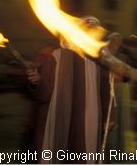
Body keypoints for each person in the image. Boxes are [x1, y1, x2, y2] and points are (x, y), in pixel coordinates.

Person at [26, 16, 108, 163]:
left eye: (93, 32)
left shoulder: (98, 62)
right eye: (86, 30)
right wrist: (37, 81)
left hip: (89, 118)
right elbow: (43, 94)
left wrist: (110, 117)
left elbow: (106, 92)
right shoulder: (53, 56)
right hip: (58, 116)